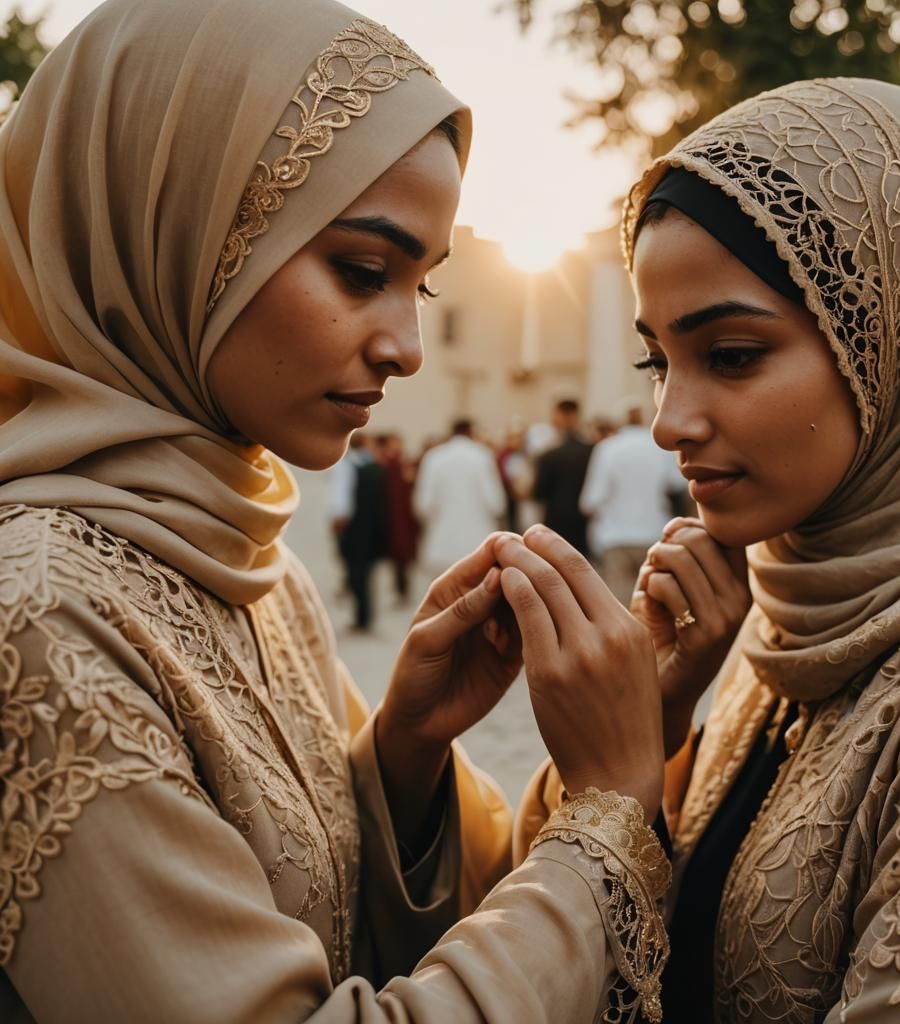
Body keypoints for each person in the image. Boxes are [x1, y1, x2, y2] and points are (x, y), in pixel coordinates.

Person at [0, 2, 671, 1021]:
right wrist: (606, 821)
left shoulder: (247, 555)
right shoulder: (39, 614)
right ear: (176, 233)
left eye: (423, 289)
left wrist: (399, 755)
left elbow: (304, 923)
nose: (404, 345)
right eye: (363, 272)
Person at [518, 78, 900, 1021]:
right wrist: (654, 729)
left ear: (898, 350)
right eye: (656, 361)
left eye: (734, 355)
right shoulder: (781, 638)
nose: (668, 423)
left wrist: (612, 801)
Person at [579, 399, 687, 605]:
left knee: (619, 602)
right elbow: (677, 483)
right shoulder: (659, 448)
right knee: (652, 603)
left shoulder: (608, 448)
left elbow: (591, 500)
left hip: (616, 536)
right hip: (653, 533)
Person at [413, 418, 506, 576]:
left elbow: (423, 504)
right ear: (471, 432)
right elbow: (496, 504)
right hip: (477, 545)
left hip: (441, 545)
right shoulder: (482, 456)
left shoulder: (434, 457)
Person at [330, 433, 388, 629]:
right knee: (366, 572)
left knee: (356, 571)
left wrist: (338, 528)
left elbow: (341, 502)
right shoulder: (375, 466)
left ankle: (362, 616)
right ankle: (365, 614)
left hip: (354, 527)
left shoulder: (347, 465)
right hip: (374, 527)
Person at [532, 398, 594, 557]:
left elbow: (538, 493)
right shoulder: (592, 451)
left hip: (555, 524)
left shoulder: (549, 455)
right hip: (582, 525)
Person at [377, 433, 419, 605]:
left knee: (404, 557)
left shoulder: (402, 463)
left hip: (404, 519)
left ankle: (404, 589)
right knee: (398, 557)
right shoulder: (389, 464)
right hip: (394, 518)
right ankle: (400, 589)